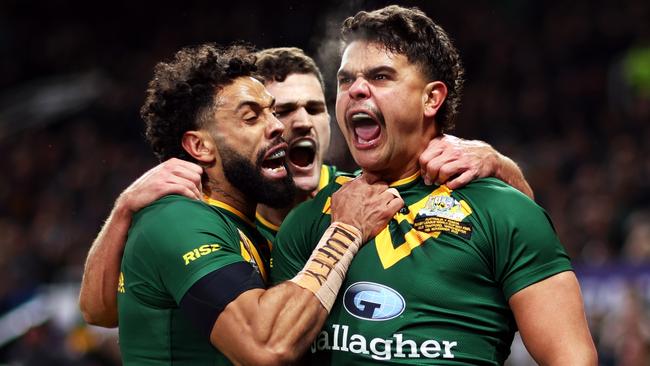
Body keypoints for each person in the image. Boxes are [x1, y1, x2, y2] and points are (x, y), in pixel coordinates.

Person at [79, 46, 534, 328]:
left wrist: (498, 163)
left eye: (314, 107)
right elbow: (100, 312)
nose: (293, 124)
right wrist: (123, 209)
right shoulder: (210, 210)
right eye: (275, 110)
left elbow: (519, 237)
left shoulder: (360, 192)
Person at [271, 5, 597, 365]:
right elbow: (275, 350)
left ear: (432, 98)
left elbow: (572, 358)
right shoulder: (308, 223)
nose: (356, 90)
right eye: (346, 80)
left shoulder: (505, 209)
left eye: (380, 77)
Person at [101, 43, 403, 365]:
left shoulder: (244, 223)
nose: (278, 127)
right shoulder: (180, 220)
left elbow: (97, 308)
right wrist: (346, 230)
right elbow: (265, 347)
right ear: (200, 146)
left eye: (272, 112)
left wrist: (463, 149)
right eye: (251, 117)